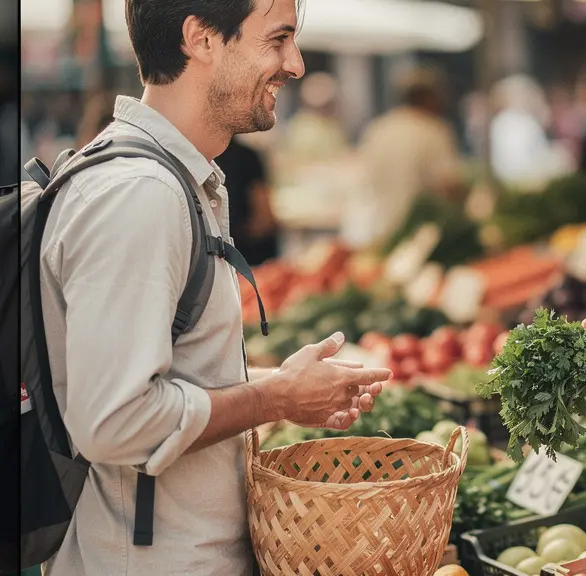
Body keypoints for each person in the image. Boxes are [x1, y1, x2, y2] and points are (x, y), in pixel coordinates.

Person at [37, 1, 391, 574]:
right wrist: (274, 399)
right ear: (201, 39)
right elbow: (113, 421)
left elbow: (162, 378)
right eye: (277, 40)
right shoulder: (141, 194)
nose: (295, 64)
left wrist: (290, 384)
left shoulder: (171, 177)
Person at [356, 66, 463, 244]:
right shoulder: (433, 130)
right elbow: (448, 185)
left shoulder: (379, 128)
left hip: (376, 229)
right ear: (429, 98)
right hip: (418, 236)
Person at [217, 136, 280, 266]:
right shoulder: (246, 156)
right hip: (246, 257)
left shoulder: (191, 159)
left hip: (212, 258)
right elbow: (264, 218)